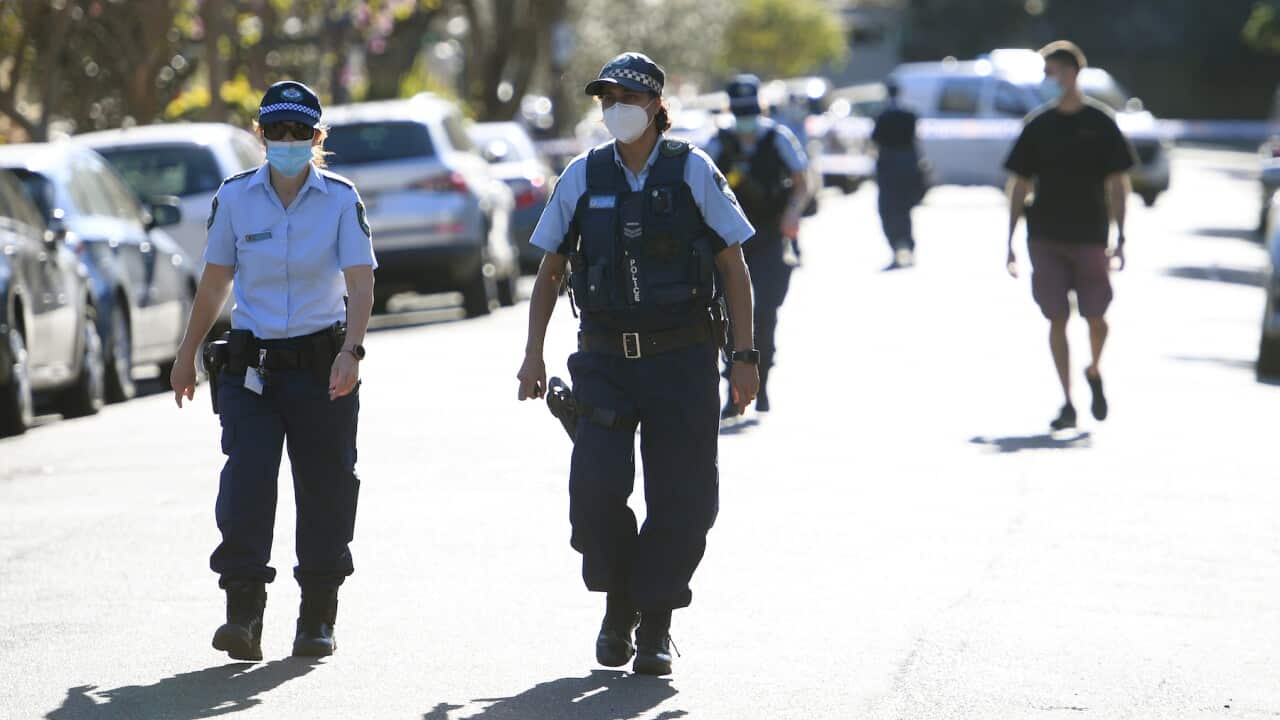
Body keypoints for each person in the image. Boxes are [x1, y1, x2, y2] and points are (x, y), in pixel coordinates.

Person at [516, 52, 760, 676]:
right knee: (593, 494)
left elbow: (733, 266)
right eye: (605, 98)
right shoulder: (583, 174)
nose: (614, 108)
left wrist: (744, 356)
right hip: (603, 359)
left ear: (654, 105)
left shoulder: (691, 170)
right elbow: (549, 270)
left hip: (681, 357)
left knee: (685, 500)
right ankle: (620, 599)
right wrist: (532, 354)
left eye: (626, 96)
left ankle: (654, 621)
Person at [170, 80, 376, 661]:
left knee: (327, 488)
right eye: (276, 132)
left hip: (322, 366)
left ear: (317, 137)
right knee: (247, 486)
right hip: (250, 369)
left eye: (299, 132)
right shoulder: (236, 198)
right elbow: (216, 281)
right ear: (260, 135)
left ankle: (317, 618)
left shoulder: (339, 198)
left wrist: (351, 352)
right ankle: (243, 616)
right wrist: (186, 353)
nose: (287, 141)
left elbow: (360, 283)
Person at [1004, 41, 1135, 430]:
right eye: (1045, 73)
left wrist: (1122, 235)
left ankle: (1093, 369)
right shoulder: (1038, 125)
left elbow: (1118, 184)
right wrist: (1009, 239)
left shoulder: (1100, 123)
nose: (1048, 80)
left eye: (1053, 71)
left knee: (1096, 316)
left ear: (1072, 72)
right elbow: (1019, 183)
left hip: (1091, 234)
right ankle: (1067, 401)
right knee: (1057, 317)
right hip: (1045, 234)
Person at [704, 74, 808, 417]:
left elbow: (801, 182)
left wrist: (792, 213)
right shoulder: (719, 143)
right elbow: (699, 184)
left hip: (769, 236)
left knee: (764, 313)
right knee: (729, 316)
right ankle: (732, 389)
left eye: (751, 109)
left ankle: (761, 385)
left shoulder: (777, 138)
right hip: (729, 241)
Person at [872, 79, 926, 269]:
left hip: (889, 167)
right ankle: (908, 247)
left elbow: (876, 140)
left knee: (889, 209)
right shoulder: (909, 113)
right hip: (906, 165)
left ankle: (898, 248)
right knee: (904, 209)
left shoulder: (882, 115)